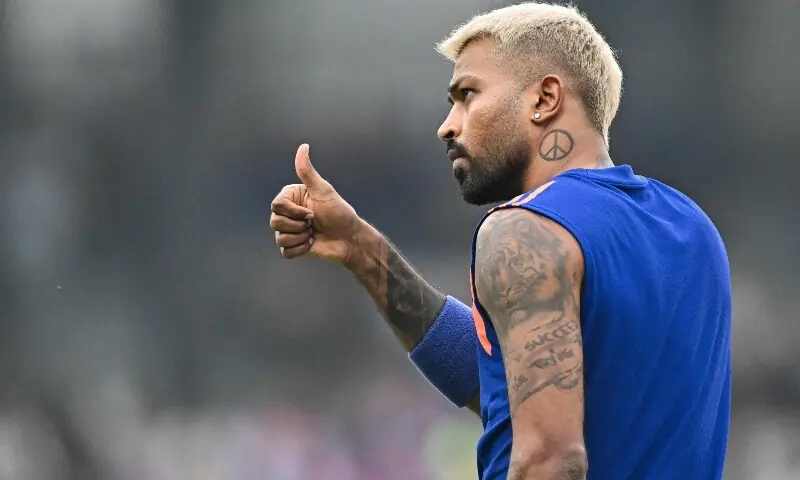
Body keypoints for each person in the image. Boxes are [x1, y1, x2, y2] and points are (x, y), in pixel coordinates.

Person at [269, 2, 731, 479]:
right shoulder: (692, 228)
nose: (447, 124)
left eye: (468, 93)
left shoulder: (524, 228)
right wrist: (362, 250)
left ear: (545, 99)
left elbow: (549, 459)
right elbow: (511, 385)